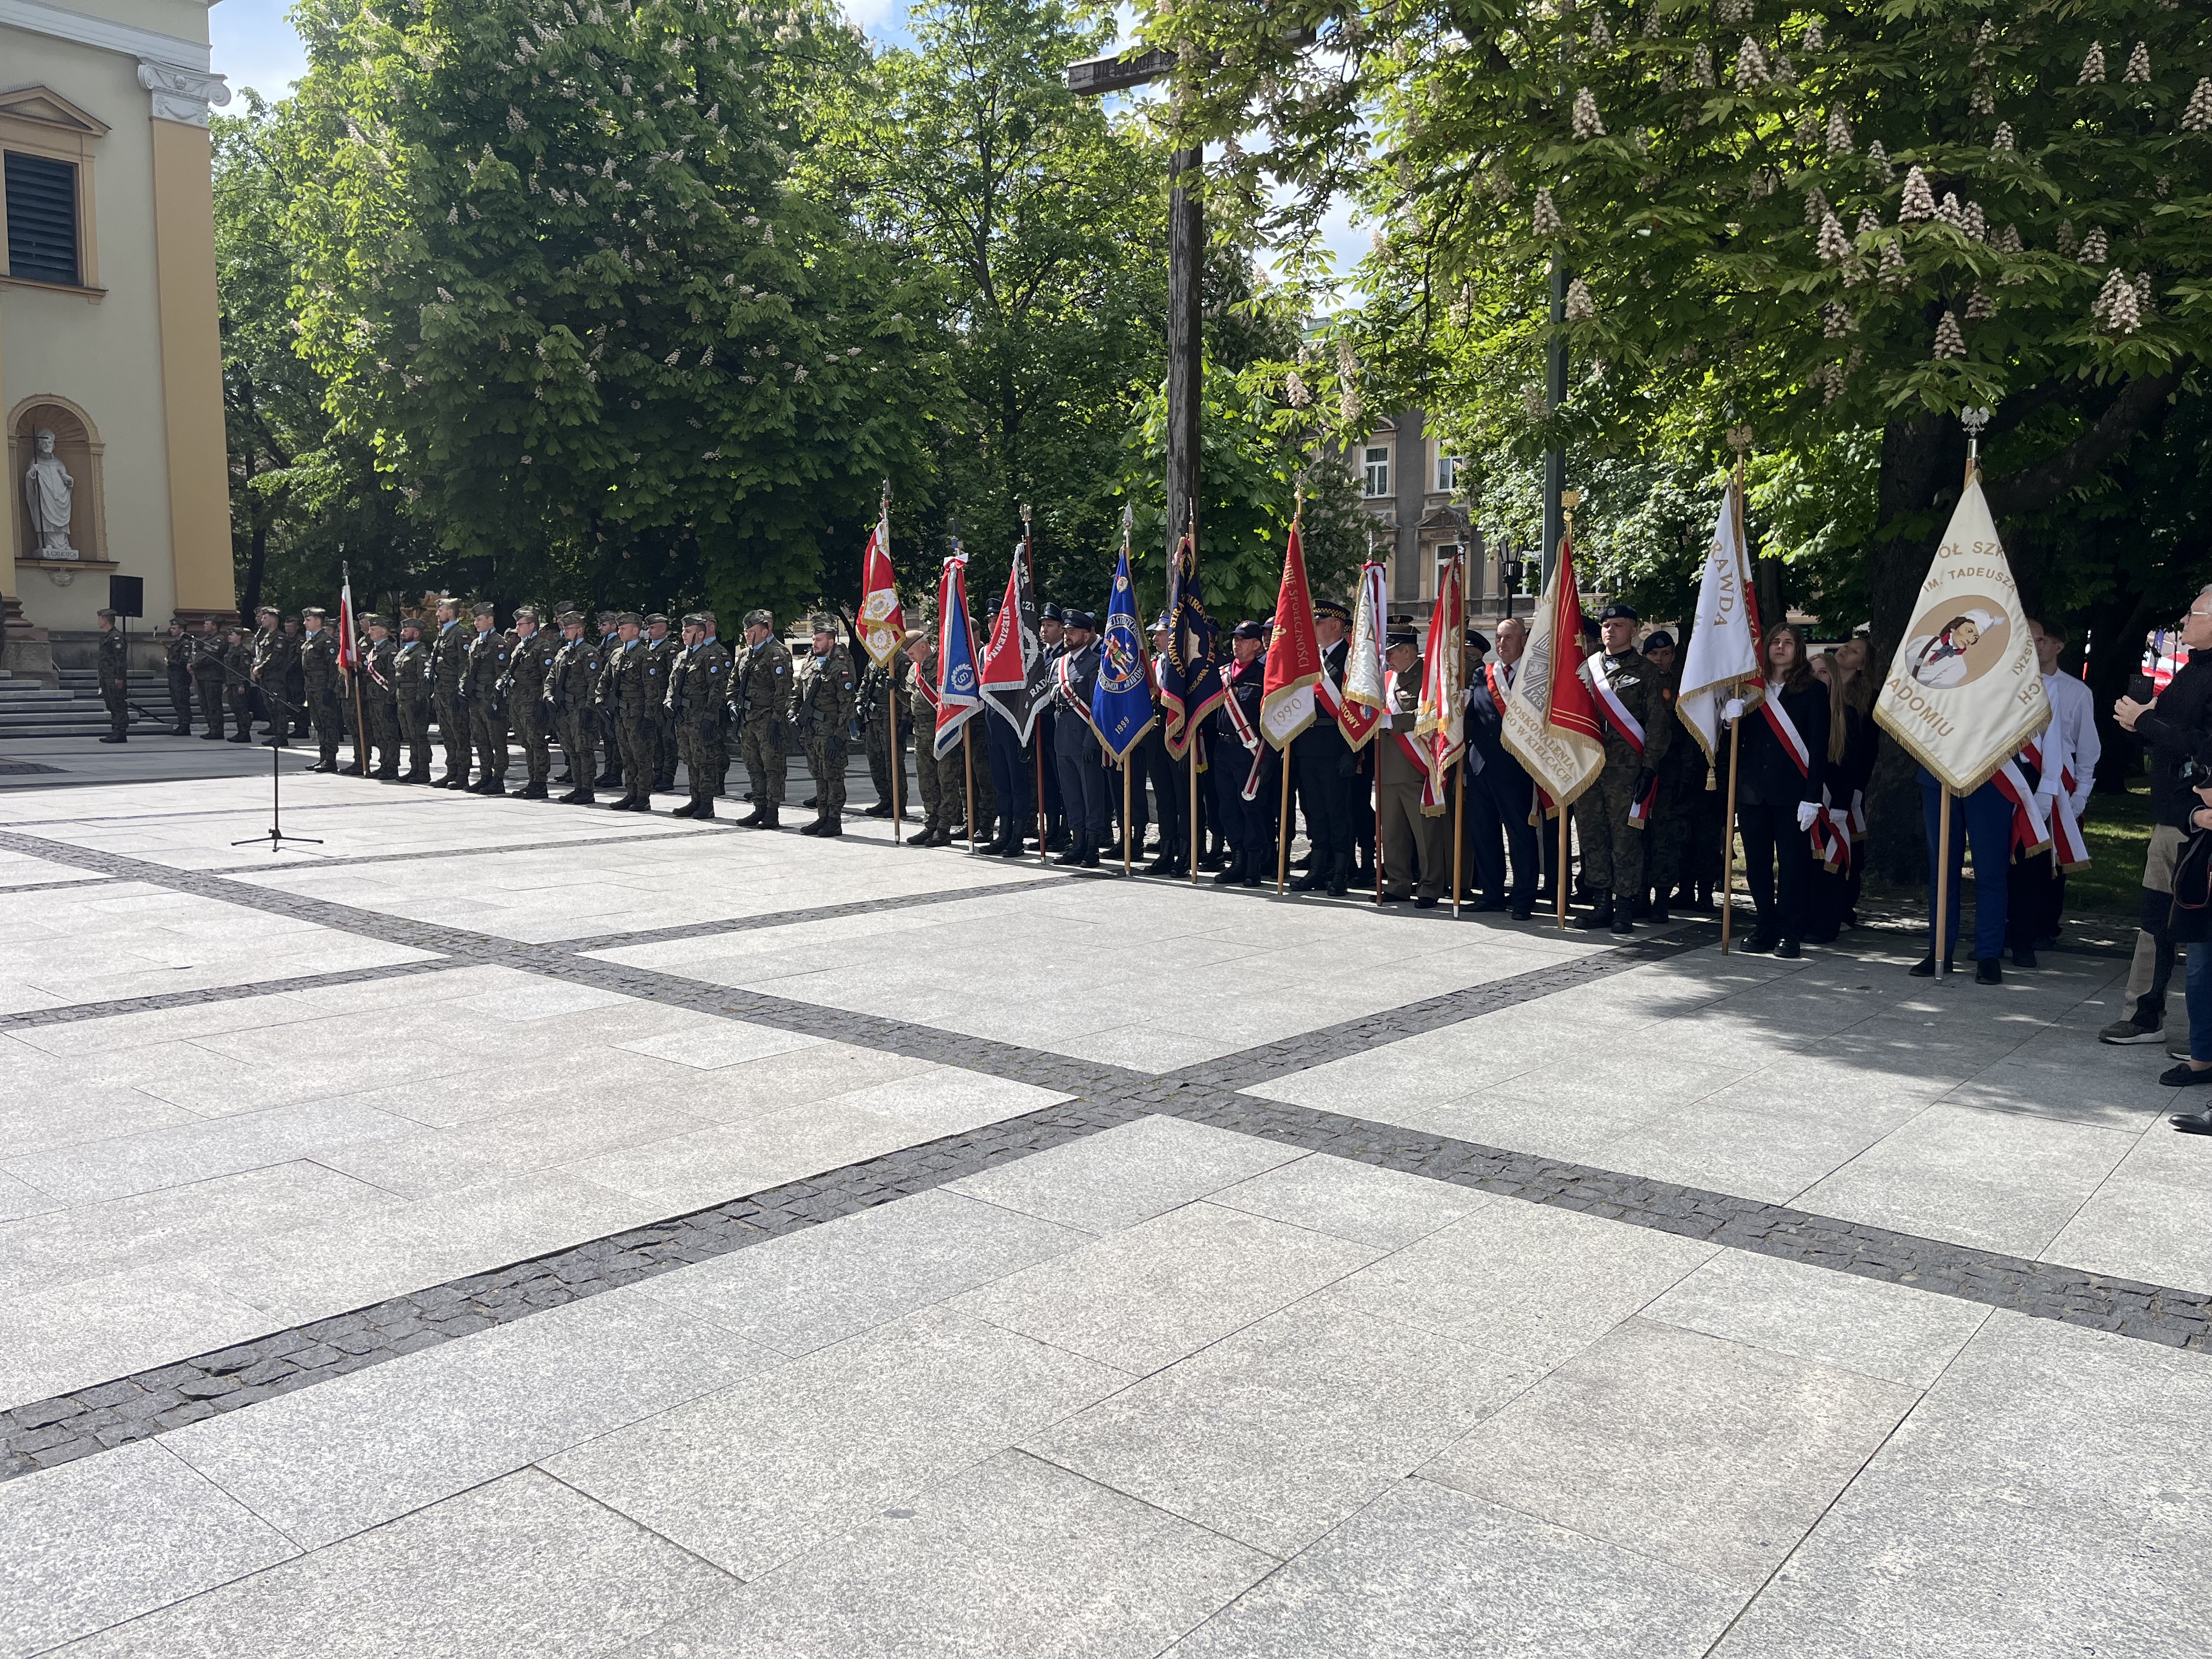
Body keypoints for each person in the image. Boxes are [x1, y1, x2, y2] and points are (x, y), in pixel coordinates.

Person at [2107, 588, 2212, 1043]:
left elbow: (2202, 745)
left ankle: (2202, 1041)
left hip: (2203, 820)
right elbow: (2176, 738)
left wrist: (2147, 721)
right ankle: (2144, 1015)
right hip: (2174, 817)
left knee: (2202, 930)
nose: (2183, 622)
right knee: (2155, 920)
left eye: (2193, 614)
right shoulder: (2194, 669)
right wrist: (2141, 723)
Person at [1726, 622, 1828, 957]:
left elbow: (1819, 747)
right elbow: (1734, 743)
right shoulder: (1749, 688)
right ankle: (1764, 924)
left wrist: (1813, 797)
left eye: (1788, 643)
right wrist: (1728, 721)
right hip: (1753, 791)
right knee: (1756, 864)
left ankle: (1789, 930)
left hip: (1793, 793)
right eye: (1775, 642)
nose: (1780, 647)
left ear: (1798, 651)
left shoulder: (1813, 691)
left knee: (1793, 864)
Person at [1575, 603, 1674, 934]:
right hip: (1589, 768)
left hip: (1627, 770)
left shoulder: (1647, 672)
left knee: (1625, 839)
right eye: (1606, 625)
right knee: (1592, 836)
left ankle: (1624, 907)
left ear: (1633, 630)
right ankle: (1601, 904)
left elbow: (1658, 726)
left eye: (1618, 625)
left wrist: (1650, 769)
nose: (1610, 630)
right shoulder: (1586, 668)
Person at [2019, 618, 2100, 949]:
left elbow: (2087, 747)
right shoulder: (2015, 686)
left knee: (2052, 858)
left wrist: (2081, 793)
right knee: (2021, 853)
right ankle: (2018, 923)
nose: (2036, 646)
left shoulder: (2077, 691)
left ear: (2058, 647)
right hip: (2023, 775)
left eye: (2042, 641)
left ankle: (2046, 925)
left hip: (2061, 781)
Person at [1463, 614, 1539, 918]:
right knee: (1484, 834)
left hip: (1515, 768)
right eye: (1498, 637)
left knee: (1520, 835)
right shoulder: (1482, 674)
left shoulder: (1534, 676)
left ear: (1523, 641)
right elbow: (1472, 714)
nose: (1502, 643)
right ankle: (1492, 894)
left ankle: (1523, 899)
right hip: (1480, 766)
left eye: (1509, 637)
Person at [1805, 645, 1878, 944]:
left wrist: (1843, 801)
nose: (1816, 677)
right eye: (1811, 672)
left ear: (1834, 678)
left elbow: (1853, 762)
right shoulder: (1797, 710)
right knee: (1803, 864)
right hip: (1803, 801)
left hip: (1832, 800)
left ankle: (1828, 922)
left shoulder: (1847, 714)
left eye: (1823, 672)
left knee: (1830, 864)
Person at [1375, 628, 1447, 906]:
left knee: (1425, 833)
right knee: (1392, 833)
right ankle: (1398, 883)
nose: (1388, 659)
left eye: (1392, 652)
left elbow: (1432, 710)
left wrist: (1394, 721)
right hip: (1387, 764)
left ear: (1408, 651)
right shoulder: (1386, 679)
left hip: (1415, 765)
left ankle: (1430, 886)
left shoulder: (1428, 677)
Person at [1291, 599, 1358, 895]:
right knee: (1314, 811)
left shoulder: (1351, 661)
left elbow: (1357, 711)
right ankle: (1317, 870)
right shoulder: (1310, 660)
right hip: (1307, 745)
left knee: (1337, 811)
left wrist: (1350, 752)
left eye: (1318, 623)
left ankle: (1341, 871)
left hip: (1336, 745)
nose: (1314, 628)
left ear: (1336, 625)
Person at [1206, 619, 1276, 887]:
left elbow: (1273, 719)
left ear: (1257, 645)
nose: (1237, 644)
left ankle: (1253, 864)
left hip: (1251, 752)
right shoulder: (1223, 673)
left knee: (1252, 809)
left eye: (1244, 640)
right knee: (1228, 809)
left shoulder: (1265, 675)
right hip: (1223, 750)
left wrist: (1269, 757)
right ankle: (1236, 861)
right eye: (1236, 639)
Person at [1048, 610, 1107, 867]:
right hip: (1062, 737)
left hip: (1085, 738)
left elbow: (1098, 708)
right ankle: (1077, 843)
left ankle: (1093, 846)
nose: (1068, 636)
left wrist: (1091, 742)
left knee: (1091, 794)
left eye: (1073, 632)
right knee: (1071, 794)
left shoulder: (1096, 663)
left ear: (1087, 635)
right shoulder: (1059, 664)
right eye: (1066, 632)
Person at [793, 613, 856, 836]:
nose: (815, 643)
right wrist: (793, 712)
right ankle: (822, 816)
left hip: (830, 732)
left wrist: (839, 735)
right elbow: (797, 692)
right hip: (812, 732)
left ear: (831, 642)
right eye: (814, 639)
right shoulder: (810, 664)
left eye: (819, 640)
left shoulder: (840, 669)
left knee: (833, 776)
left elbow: (847, 705)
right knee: (819, 775)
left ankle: (834, 820)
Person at [732, 608, 793, 827]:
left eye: (752, 631)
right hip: (747, 719)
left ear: (765, 631)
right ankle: (759, 807)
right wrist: (732, 703)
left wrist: (776, 720)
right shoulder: (745, 655)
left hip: (767, 719)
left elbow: (783, 690)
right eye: (746, 631)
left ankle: (772, 811)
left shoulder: (777, 654)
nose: (747, 634)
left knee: (772, 767)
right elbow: (733, 683)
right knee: (753, 765)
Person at [669, 612, 732, 820]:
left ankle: (707, 803)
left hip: (700, 717)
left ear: (701, 634)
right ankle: (695, 799)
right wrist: (668, 702)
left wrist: (709, 717)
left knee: (705, 761)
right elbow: (672, 684)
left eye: (688, 631)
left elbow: (717, 690)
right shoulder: (682, 657)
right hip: (683, 717)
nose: (683, 634)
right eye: (683, 631)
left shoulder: (709, 657)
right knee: (690, 760)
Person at [505, 606, 556, 799]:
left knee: (537, 742)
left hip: (533, 702)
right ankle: (532, 780)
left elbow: (548, 676)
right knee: (526, 743)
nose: (517, 628)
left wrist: (543, 702)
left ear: (532, 625)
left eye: (521, 624)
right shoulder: (521, 646)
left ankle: (540, 783)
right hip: (518, 701)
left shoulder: (542, 646)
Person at [861, 640, 915, 822]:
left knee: (893, 763)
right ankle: (885, 799)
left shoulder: (900, 659)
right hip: (873, 717)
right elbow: (866, 681)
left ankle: (898, 803)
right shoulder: (874, 658)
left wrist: (905, 722)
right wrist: (860, 702)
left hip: (892, 717)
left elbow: (908, 692)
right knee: (875, 761)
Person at [429, 596, 471, 787]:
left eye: (441, 610)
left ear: (451, 612)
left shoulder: (461, 634)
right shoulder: (443, 634)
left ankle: (462, 774)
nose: (437, 614)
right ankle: (451, 771)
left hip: (453, 692)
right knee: (447, 734)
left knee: (460, 734)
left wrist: (460, 690)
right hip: (441, 691)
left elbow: (465, 665)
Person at [392, 615, 435, 783]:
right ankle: (414, 768)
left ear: (416, 634)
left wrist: (420, 700)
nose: (402, 633)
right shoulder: (404, 653)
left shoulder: (421, 654)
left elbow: (423, 680)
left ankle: (424, 770)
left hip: (415, 701)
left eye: (406, 630)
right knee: (410, 736)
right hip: (403, 699)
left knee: (419, 736)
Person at [359, 615, 402, 780]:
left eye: (373, 630)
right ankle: (384, 763)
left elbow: (393, 679)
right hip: (374, 698)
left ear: (384, 631)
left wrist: (391, 701)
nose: (370, 632)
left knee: (389, 734)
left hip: (385, 699)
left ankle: (392, 766)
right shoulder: (374, 651)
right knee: (379, 734)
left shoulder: (390, 651)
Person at [249, 606, 294, 745]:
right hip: (266, 677)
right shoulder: (265, 637)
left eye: (265, 618)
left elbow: (275, 657)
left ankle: (282, 736)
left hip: (276, 678)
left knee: (278, 707)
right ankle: (276, 734)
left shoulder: (280, 637)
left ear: (273, 620)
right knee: (270, 707)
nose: (262, 620)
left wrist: (260, 668)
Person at [190, 618, 228, 739]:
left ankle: (217, 730)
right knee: (204, 703)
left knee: (214, 704)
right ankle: (212, 727)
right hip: (202, 676)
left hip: (213, 677)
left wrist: (194, 665)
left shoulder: (220, 640)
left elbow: (212, 656)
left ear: (215, 626)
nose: (204, 626)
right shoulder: (204, 640)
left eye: (207, 624)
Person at [223, 625, 256, 744]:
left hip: (239, 684)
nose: (229, 637)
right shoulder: (231, 650)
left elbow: (244, 670)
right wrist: (227, 684)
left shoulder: (243, 652)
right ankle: (240, 731)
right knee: (235, 708)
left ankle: (245, 732)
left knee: (242, 709)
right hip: (232, 683)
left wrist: (242, 685)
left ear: (239, 637)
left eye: (232, 635)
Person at [164, 619, 194, 735]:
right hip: (174, 677)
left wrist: (170, 662)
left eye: (174, 628)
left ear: (181, 630)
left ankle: (185, 725)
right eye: (171, 628)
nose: (171, 630)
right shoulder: (176, 644)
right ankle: (181, 723)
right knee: (176, 701)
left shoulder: (185, 644)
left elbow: (183, 661)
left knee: (182, 701)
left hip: (181, 678)